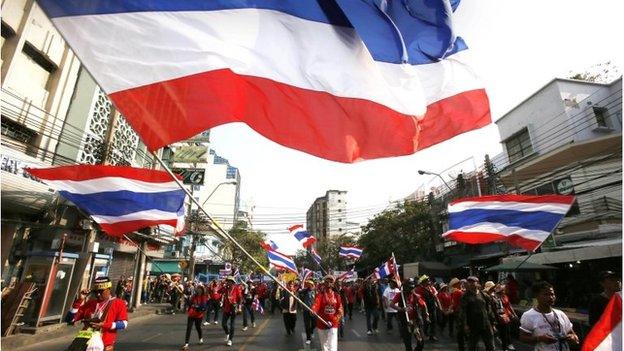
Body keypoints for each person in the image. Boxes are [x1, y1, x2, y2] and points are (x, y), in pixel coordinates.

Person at [519, 281, 579, 351]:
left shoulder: (560, 314)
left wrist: (572, 337)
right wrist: (540, 339)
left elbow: (572, 334)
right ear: (537, 296)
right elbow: (522, 337)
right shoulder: (529, 316)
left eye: (552, 294)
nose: (551, 297)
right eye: (546, 294)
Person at [72, 277, 128, 351]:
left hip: (104, 346)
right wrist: (79, 300)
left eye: (101, 291)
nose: (98, 294)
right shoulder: (90, 303)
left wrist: (104, 325)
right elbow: (71, 319)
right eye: (96, 292)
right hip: (84, 344)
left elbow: (124, 324)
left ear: (109, 290)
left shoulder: (118, 303)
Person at [391, 279, 428, 351]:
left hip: (415, 322)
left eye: (412, 288)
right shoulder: (400, 295)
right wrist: (401, 309)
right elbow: (391, 304)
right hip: (405, 322)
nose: (411, 290)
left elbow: (424, 305)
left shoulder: (415, 296)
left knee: (421, 342)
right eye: (409, 288)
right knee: (408, 344)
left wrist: (426, 316)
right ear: (405, 287)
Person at [460, 276, 495, 351]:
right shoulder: (465, 296)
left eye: (473, 282)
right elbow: (463, 311)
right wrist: (465, 324)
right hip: (473, 324)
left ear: (477, 283)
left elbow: (489, 308)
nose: (471, 284)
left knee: (490, 345)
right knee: (472, 346)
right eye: (469, 282)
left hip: (485, 323)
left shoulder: (483, 294)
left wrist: (492, 323)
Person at [312, 275, 343, 351]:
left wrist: (334, 320)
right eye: (327, 281)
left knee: (332, 345)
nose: (329, 283)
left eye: (331, 282)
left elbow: (340, 310)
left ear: (333, 284)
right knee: (324, 345)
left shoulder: (337, 296)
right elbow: (316, 304)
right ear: (324, 283)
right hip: (321, 323)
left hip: (333, 325)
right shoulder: (320, 295)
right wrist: (313, 310)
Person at [414, 275, 440, 341]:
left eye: (429, 280)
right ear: (423, 282)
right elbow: (418, 299)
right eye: (427, 281)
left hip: (432, 307)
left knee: (434, 320)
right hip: (424, 308)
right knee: (426, 322)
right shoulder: (418, 289)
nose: (429, 282)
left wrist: (439, 305)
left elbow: (435, 295)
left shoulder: (431, 288)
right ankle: (424, 334)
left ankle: (432, 335)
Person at [491, 284, 516, 351]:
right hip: (499, 317)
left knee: (507, 331)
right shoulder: (494, 297)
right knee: (502, 333)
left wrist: (513, 314)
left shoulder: (504, 296)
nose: (504, 291)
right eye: (503, 290)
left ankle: (507, 344)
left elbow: (509, 305)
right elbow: (495, 309)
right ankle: (504, 346)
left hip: (505, 316)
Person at [182, 285, 207, 350]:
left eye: (200, 289)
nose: (199, 290)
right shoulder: (194, 296)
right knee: (189, 328)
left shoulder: (203, 297)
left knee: (198, 327)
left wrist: (197, 306)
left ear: (202, 290)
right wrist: (187, 299)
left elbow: (203, 307)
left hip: (199, 315)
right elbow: (190, 304)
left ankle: (200, 338)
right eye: (198, 289)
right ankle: (186, 343)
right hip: (191, 314)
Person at [221, 276, 242, 347]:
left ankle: (230, 340)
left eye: (230, 281)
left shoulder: (236, 288)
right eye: (228, 281)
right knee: (223, 324)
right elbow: (218, 291)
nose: (228, 282)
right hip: (226, 309)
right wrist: (223, 285)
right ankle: (227, 333)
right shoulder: (225, 289)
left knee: (232, 325)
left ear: (233, 282)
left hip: (233, 309)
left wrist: (239, 307)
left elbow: (240, 299)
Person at [299, 279, 316, 345]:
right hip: (306, 310)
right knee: (307, 325)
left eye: (310, 284)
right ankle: (308, 338)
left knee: (315, 323)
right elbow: (299, 293)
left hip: (314, 311)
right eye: (308, 284)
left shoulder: (316, 291)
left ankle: (311, 330)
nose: (309, 286)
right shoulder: (304, 291)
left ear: (313, 285)